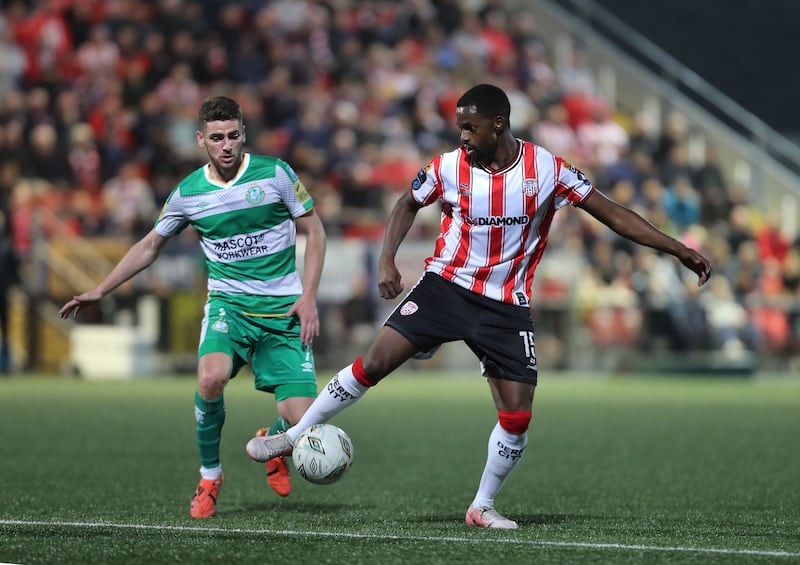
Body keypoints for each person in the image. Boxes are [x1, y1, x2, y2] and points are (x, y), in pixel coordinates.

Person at [246, 84, 711, 529]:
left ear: (498, 124)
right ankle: (292, 436)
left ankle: (482, 505)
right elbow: (407, 203)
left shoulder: (546, 169)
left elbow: (612, 213)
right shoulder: (449, 166)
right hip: (446, 287)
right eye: (460, 129)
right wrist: (387, 259)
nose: (463, 138)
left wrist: (676, 247)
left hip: (505, 305)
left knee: (517, 417)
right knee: (374, 362)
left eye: (470, 129)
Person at [59, 95, 327, 518]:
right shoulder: (188, 193)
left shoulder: (275, 174)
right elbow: (150, 246)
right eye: (217, 137)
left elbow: (315, 231)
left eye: (233, 135)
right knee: (210, 378)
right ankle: (210, 476)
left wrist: (309, 295)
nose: (226, 145)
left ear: (244, 134)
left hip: (284, 311)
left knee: (307, 424)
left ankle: (275, 442)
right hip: (230, 306)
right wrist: (101, 288)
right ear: (201, 139)